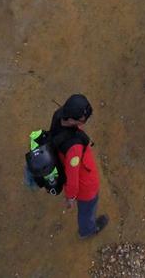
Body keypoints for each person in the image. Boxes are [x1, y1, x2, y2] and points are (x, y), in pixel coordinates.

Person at [49, 94, 109, 238]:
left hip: (64, 160)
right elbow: (73, 178)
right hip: (86, 187)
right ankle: (87, 230)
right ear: (71, 120)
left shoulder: (58, 115)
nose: (84, 123)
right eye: (82, 120)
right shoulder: (74, 148)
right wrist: (70, 197)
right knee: (87, 209)